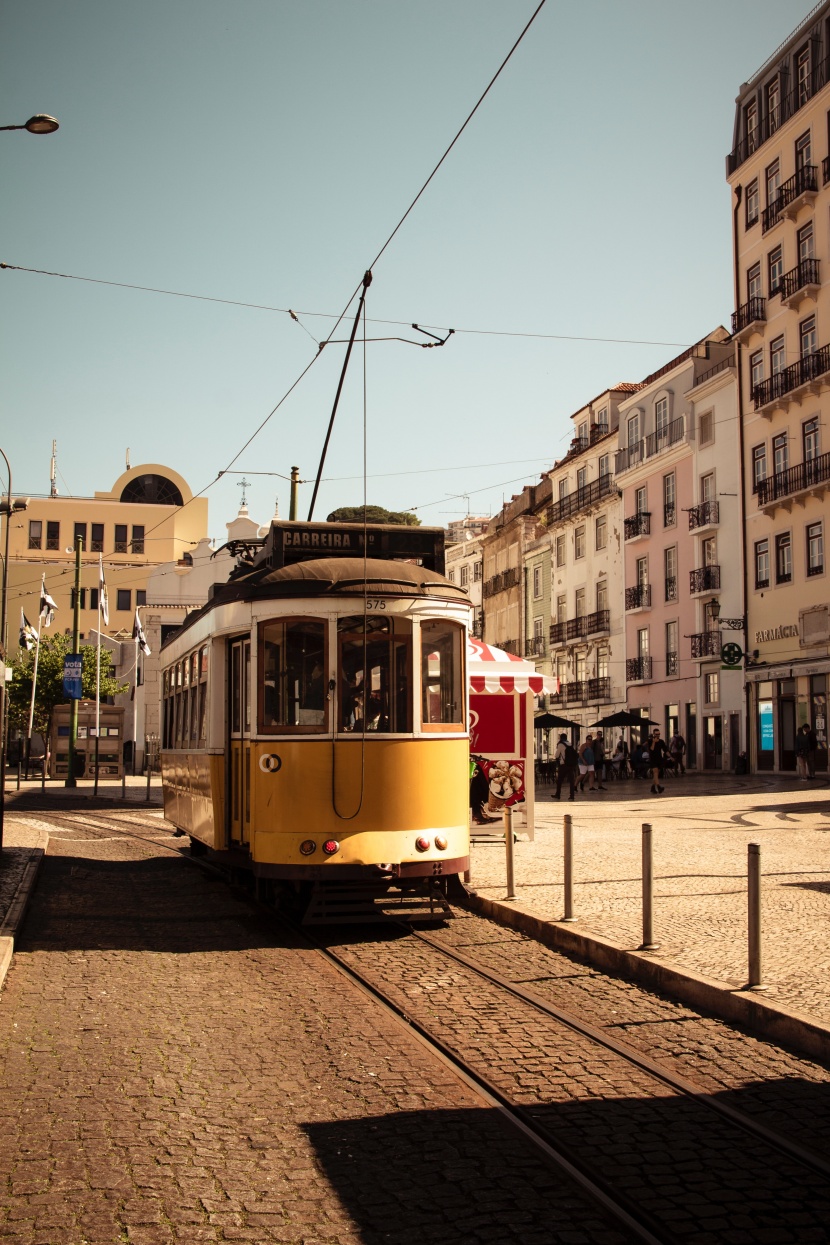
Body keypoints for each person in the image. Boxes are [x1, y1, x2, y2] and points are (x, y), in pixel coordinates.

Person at [554, 733, 579, 801]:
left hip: (563, 765)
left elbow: (556, 755)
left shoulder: (560, 744)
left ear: (560, 738)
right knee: (571, 781)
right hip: (571, 765)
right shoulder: (570, 744)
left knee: (559, 780)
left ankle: (558, 794)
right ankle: (572, 796)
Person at [648, 728, 668, 794]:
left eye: (659, 734)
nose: (658, 735)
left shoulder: (661, 741)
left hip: (659, 759)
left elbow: (665, 749)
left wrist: (671, 756)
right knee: (655, 772)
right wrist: (654, 742)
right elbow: (651, 749)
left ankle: (653, 787)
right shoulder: (650, 741)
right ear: (653, 734)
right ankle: (659, 787)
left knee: (656, 775)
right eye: (656, 734)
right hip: (653, 759)